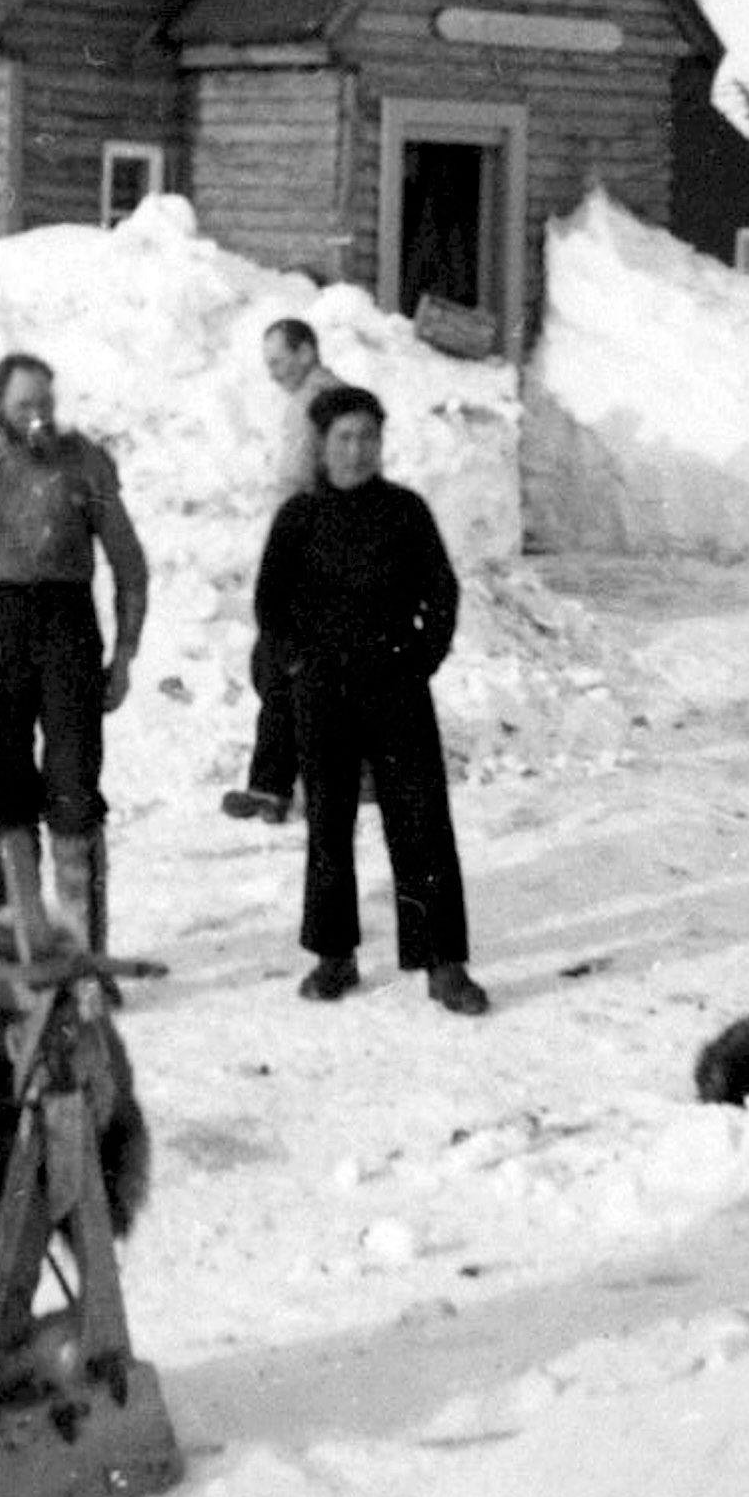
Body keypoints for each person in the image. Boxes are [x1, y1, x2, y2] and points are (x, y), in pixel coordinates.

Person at [253, 382, 488, 1015]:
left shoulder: (406, 511)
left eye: (368, 437)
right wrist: (298, 663)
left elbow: (442, 593)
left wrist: (419, 661)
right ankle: (334, 956)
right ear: (322, 445)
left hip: (394, 685)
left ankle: (443, 964)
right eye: (344, 437)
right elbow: (270, 603)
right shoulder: (298, 516)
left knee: (422, 822)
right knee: (329, 825)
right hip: (323, 689)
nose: (357, 450)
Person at [0, 352, 149, 954]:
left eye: (45, 403)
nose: (37, 416)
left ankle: (83, 954)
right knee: (6, 791)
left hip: (67, 625)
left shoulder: (83, 462)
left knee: (73, 789)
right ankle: (19, 949)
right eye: (23, 406)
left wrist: (124, 656)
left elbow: (129, 565)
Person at [222, 317, 342, 824]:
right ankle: (274, 785)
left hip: (310, 551)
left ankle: (277, 785)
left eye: (278, 360)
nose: (272, 372)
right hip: (312, 546)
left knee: (282, 663)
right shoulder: (322, 397)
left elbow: (300, 479)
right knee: (281, 666)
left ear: (306, 351)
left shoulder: (318, 401)